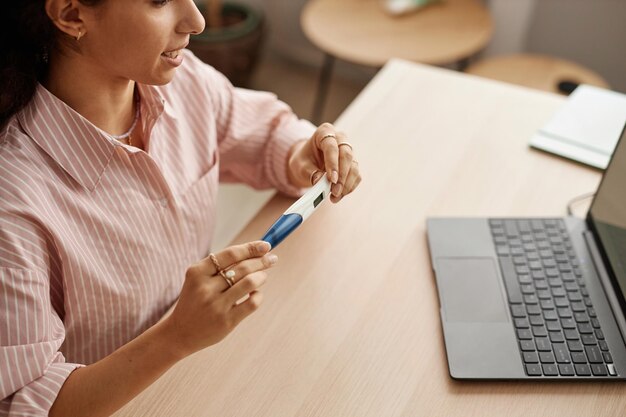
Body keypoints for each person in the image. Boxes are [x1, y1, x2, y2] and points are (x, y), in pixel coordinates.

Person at [0, 0, 361, 416]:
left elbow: (269, 134)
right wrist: (175, 338)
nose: (197, 21)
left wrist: (305, 155)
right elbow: (24, 405)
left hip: (203, 376)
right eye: (159, 1)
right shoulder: (14, 204)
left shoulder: (183, 83)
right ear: (72, 15)